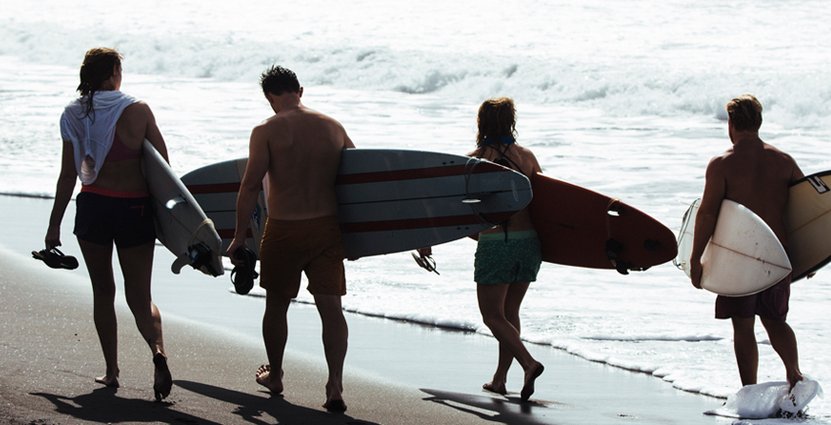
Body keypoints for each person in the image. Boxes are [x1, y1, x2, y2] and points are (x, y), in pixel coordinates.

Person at [44, 47, 172, 400]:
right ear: (115, 72)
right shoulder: (138, 110)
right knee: (140, 295)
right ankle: (157, 352)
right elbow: (164, 169)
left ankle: (111, 371)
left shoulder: (72, 113)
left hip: (94, 207)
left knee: (104, 291)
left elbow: (68, 175)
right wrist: (172, 222)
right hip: (134, 210)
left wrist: (54, 225)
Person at [227, 65, 355, 412]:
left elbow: (251, 186)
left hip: (284, 229)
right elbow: (358, 182)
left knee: (277, 306)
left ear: (270, 97)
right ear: (301, 89)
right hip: (327, 229)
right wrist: (359, 239)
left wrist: (239, 236)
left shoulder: (266, 130)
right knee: (331, 310)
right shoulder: (333, 126)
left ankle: (277, 375)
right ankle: (335, 385)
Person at [419, 97, 545, 402]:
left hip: (496, 243)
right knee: (509, 313)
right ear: (511, 122)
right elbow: (547, 203)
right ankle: (500, 379)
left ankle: (529, 364)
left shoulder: (472, 162)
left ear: (481, 123)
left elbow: (448, 208)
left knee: (492, 316)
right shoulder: (527, 157)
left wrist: (426, 238)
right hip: (529, 243)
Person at [689, 94, 804, 389]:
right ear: (759, 122)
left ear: (731, 123)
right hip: (777, 256)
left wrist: (695, 258)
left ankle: (749, 389)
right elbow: (806, 210)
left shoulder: (723, 164)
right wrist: (809, 255)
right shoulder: (784, 161)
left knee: (743, 325)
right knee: (775, 320)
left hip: (739, 258)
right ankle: (794, 375)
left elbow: (708, 213)